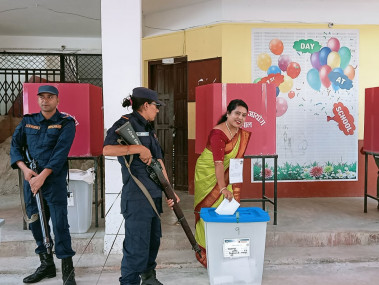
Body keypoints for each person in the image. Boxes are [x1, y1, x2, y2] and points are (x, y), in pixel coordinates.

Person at [103, 87, 180, 285]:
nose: (158, 110)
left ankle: (148, 278)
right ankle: (128, 282)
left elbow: (158, 161)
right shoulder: (124, 124)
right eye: (156, 106)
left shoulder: (148, 127)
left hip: (154, 193)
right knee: (136, 246)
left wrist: (169, 190)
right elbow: (106, 149)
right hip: (137, 196)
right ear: (146, 105)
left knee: (153, 241)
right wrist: (136, 148)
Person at [10, 85, 77, 284]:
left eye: (50, 97)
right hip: (31, 179)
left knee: (59, 224)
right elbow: (15, 146)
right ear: (38, 100)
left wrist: (42, 177)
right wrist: (24, 169)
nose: (45, 101)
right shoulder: (28, 121)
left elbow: (60, 153)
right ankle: (46, 265)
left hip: (53, 181)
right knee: (35, 222)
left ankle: (68, 269)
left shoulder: (66, 123)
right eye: (42, 97)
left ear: (57, 100)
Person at [194, 99, 251, 267]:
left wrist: (230, 184)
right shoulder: (218, 134)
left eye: (244, 115)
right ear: (228, 114)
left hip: (225, 174)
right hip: (208, 173)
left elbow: (233, 162)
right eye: (237, 113)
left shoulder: (239, 134)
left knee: (227, 211)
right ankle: (205, 253)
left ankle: (225, 249)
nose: (240, 118)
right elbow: (218, 163)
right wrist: (223, 187)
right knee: (208, 211)